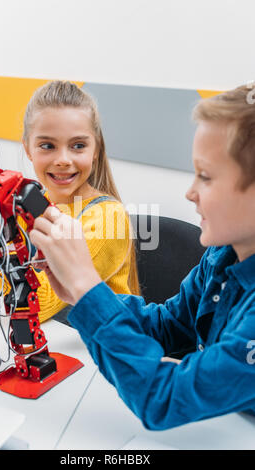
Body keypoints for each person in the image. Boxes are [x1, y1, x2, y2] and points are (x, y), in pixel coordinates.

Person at [29, 84, 255, 430]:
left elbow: (165, 399)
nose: (190, 192)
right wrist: (81, 296)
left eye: (206, 177)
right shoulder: (222, 257)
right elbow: (166, 325)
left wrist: (89, 290)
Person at [7, 80, 140, 324]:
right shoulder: (25, 207)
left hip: (95, 351)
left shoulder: (108, 218)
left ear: (96, 149)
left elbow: (36, 305)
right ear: (28, 149)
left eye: (78, 146)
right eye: (47, 146)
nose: (63, 160)